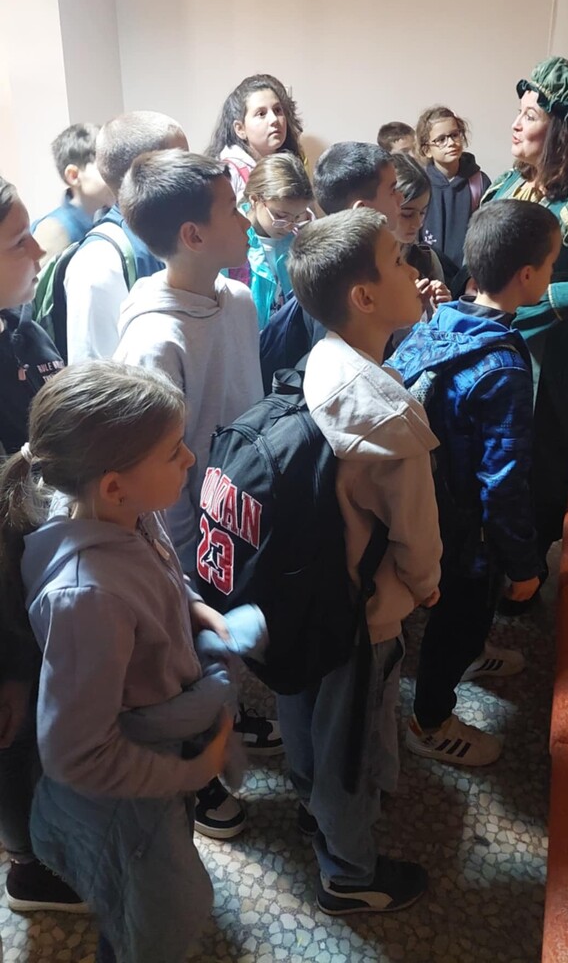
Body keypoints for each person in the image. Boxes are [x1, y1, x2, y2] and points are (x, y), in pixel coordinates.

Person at [0, 360, 235, 962]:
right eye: (174, 452)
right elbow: (77, 753)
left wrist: (192, 606)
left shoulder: (124, 513)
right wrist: (192, 771)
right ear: (113, 485)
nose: (190, 459)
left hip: (158, 761)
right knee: (142, 913)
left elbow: (161, 570)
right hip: (132, 789)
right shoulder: (88, 598)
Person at [280, 207, 442, 915]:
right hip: (362, 613)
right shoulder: (390, 415)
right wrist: (428, 590)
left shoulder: (319, 357)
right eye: (399, 259)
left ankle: (311, 807)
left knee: (306, 709)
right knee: (355, 740)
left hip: (304, 588)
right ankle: (349, 873)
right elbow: (417, 537)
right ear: (365, 296)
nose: (414, 270)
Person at [115, 149, 280, 839]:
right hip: (187, 531)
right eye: (232, 209)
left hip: (237, 508)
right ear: (192, 234)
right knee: (188, 657)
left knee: (227, 644)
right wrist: (185, 563)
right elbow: (154, 470)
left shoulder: (235, 300)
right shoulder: (154, 337)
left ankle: (231, 715)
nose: (245, 219)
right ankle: (202, 777)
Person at [389, 200, 561, 764]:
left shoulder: (440, 319)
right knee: (459, 620)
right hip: (470, 533)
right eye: (552, 265)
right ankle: (429, 722)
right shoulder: (503, 367)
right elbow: (503, 483)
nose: (553, 274)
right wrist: (525, 566)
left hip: (428, 508)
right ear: (527, 275)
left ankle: (470, 650)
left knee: (461, 613)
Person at [482, 57, 568, 583]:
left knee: (542, 456)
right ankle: (497, 552)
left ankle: (529, 570)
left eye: (530, 116)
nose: (516, 124)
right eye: (519, 112)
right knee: (500, 450)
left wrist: (516, 306)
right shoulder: (510, 181)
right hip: (509, 338)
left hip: (562, 352)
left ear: (559, 131)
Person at [0, 177, 83, 914]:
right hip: (6, 602)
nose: (38, 250)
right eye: (16, 240)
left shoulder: (20, 325)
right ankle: (27, 865)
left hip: (38, 566)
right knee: (14, 730)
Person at [259, 142, 403, 390]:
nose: (401, 197)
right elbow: (338, 385)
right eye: (392, 190)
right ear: (363, 210)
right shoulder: (337, 283)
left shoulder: (361, 267)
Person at [64, 110, 188, 362]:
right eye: (181, 161)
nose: (192, 171)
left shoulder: (177, 233)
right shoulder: (99, 262)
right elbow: (94, 372)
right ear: (142, 173)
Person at [415, 105, 490, 280]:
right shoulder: (420, 184)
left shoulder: (478, 182)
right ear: (427, 150)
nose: (451, 143)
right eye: (441, 139)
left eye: (454, 135)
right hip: (430, 276)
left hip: (469, 277)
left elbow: (487, 235)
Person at [243, 152, 314, 328]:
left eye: (297, 217)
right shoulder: (232, 241)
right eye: (281, 216)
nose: (289, 226)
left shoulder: (297, 241)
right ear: (255, 199)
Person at [207, 74, 304, 203]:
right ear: (240, 129)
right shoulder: (228, 173)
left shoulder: (293, 164)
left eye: (277, 110)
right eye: (261, 114)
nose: (274, 119)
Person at [31, 123, 113, 264]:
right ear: (73, 176)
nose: (115, 175)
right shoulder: (55, 230)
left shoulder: (106, 218)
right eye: (105, 167)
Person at [391, 153, 450, 323]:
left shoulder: (426, 259)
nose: (418, 223)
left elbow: (437, 325)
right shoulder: (365, 265)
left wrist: (441, 306)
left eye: (422, 212)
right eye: (407, 214)